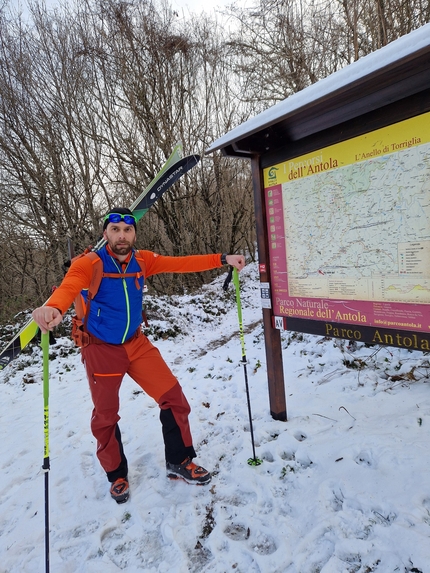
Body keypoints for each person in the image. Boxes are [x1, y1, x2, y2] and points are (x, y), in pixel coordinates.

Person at [32, 207, 245, 503]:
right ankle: (116, 474)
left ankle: (179, 461)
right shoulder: (90, 263)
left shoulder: (142, 261)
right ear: (105, 234)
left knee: (174, 398)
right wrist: (54, 308)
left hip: (136, 344)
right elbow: (69, 286)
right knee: (105, 416)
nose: (122, 235)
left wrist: (222, 259)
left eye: (127, 230)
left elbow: (181, 264)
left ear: (134, 233)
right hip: (101, 349)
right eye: (115, 230)